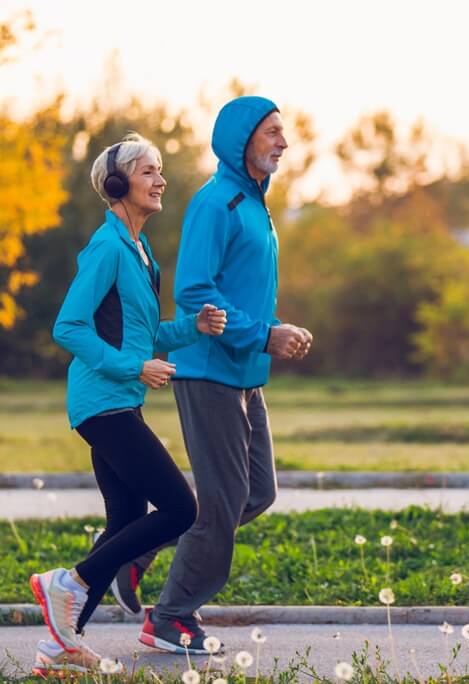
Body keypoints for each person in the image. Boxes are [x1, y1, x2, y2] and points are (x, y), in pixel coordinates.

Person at [29, 133, 228, 675]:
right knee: (181, 509)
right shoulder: (107, 248)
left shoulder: (139, 254)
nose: (160, 180)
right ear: (118, 185)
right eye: (148, 172)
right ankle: (65, 584)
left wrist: (194, 327)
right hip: (102, 401)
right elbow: (68, 326)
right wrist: (132, 367)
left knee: (125, 519)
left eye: (160, 170)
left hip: (120, 402)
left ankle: (59, 644)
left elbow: (142, 333)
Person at [136, 96, 313, 654]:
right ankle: (170, 618)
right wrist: (264, 335)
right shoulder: (217, 203)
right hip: (208, 370)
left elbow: (239, 292)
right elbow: (193, 291)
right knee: (221, 502)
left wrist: (276, 327)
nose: (283, 142)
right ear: (241, 139)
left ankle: (136, 549)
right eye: (272, 132)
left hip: (243, 373)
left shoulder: (255, 206)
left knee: (256, 492)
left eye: (284, 133)